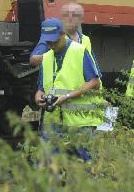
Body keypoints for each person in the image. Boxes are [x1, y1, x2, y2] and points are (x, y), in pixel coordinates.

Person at [33, 18, 104, 160]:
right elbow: (40, 88)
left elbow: (94, 82)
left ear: (63, 34)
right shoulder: (46, 58)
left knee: (87, 166)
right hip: (53, 121)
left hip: (80, 122)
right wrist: (38, 97)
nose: (51, 45)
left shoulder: (79, 51)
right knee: (51, 166)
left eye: (54, 41)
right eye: (48, 42)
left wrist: (68, 96)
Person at [29, 2, 92, 67]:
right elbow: (33, 60)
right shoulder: (54, 36)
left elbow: (92, 66)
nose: (70, 18)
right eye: (67, 15)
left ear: (81, 19)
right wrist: (54, 55)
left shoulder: (86, 40)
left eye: (75, 15)